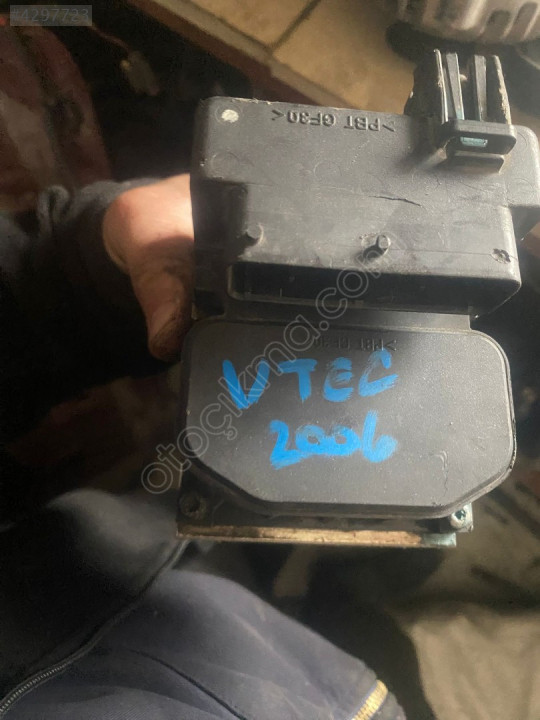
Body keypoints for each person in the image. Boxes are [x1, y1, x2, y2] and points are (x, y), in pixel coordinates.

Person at [0, 177, 406, 719]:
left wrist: (81, 261)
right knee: (370, 625)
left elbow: (28, 290)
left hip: (125, 560)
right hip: (306, 672)